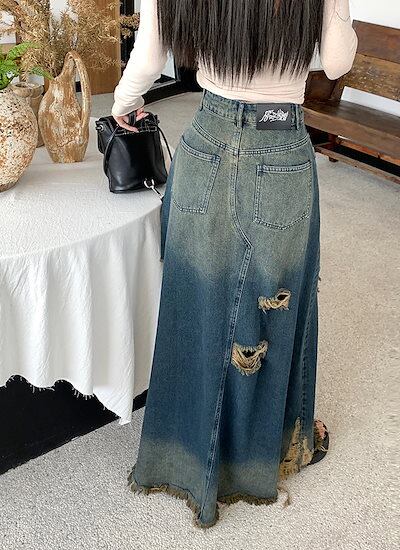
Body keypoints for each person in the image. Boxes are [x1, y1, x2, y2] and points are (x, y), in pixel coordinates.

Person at [111, 0, 358, 529]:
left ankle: (178, 454)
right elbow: (337, 62)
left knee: (194, 300)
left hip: (209, 143)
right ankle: (270, 449)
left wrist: (124, 101)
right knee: (277, 303)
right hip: (281, 144)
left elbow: (148, 56)